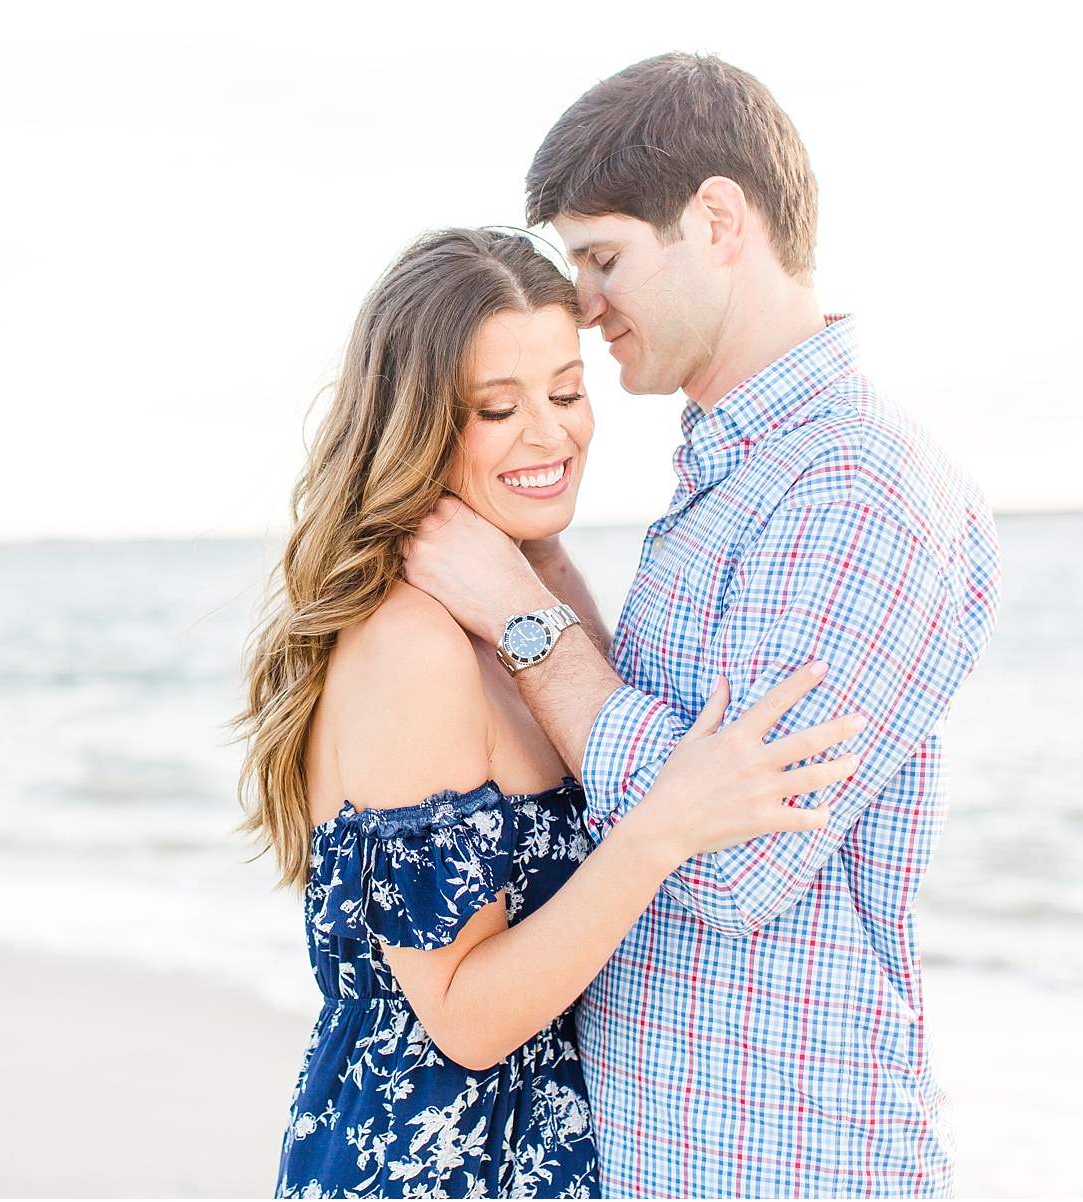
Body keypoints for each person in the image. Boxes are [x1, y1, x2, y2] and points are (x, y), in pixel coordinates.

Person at [402, 55, 1001, 1198]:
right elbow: (662, 766)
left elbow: (734, 863)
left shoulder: (854, 489)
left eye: (605, 256)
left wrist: (522, 613)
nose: (582, 302)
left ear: (719, 220)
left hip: (784, 1160)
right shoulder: (734, 471)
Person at [239, 228, 864, 1198]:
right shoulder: (414, 645)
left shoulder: (518, 608)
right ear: (418, 424)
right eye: (499, 406)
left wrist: (551, 586)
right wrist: (662, 830)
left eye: (568, 392)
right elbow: (464, 1015)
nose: (551, 433)